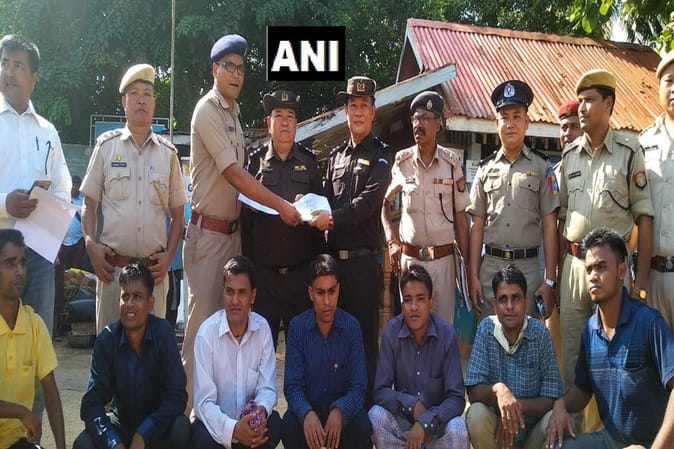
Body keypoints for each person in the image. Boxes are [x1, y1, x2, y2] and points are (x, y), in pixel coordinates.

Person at [182, 34, 301, 410]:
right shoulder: (207, 110)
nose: (236, 74)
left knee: (230, 335)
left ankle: (223, 419)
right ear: (214, 70)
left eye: (241, 68)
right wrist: (282, 206)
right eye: (228, 67)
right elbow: (234, 174)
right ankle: (187, 421)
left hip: (231, 237)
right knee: (202, 333)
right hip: (208, 235)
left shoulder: (232, 113)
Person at [556, 69, 654, 405]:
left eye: (589, 100)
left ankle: (613, 429)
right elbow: (561, 219)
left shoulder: (629, 152)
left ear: (608, 104)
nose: (581, 108)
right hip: (574, 268)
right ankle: (573, 429)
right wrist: (555, 278)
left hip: (613, 269)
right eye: (580, 101)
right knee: (572, 358)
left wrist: (641, 283)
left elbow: (644, 217)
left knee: (615, 356)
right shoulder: (569, 156)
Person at [80, 63, 186, 334]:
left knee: (152, 353)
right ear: (123, 102)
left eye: (147, 94)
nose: (141, 100)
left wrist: (169, 256)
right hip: (113, 274)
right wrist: (91, 245)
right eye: (134, 93)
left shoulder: (168, 155)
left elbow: (178, 216)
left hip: (153, 276)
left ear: (154, 103)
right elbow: (89, 205)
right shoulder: (106, 147)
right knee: (109, 350)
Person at [545, 227, 674, 449]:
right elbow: (582, 390)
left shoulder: (648, 323)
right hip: (611, 441)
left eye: (601, 267)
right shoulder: (590, 331)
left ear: (621, 271)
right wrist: (561, 404)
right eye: (588, 269)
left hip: (655, 442)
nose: (593, 276)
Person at [310, 75, 391, 400]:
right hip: (333, 267)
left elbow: (367, 204)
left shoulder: (381, 155)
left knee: (363, 341)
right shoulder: (336, 156)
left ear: (373, 111)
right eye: (352, 106)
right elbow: (324, 201)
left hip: (361, 266)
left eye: (364, 106)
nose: (358, 112)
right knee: (331, 338)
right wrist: (308, 208)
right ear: (345, 112)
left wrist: (331, 218)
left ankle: (366, 412)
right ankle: (333, 406)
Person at [467, 80, 559, 321]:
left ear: (527, 122)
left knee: (528, 338)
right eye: (504, 117)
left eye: (516, 117)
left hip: (528, 271)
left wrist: (550, 281)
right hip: (490, 269)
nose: (510, 124)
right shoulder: (485, 169)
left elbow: (550, 225)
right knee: (489, 336)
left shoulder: (542, 167)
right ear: (496, 124)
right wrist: (473, 275)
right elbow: (477, 225)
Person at [73, 262, 189, 449]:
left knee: (181, 428)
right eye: (125, 296)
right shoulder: (106, 340)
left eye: (137, 297)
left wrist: (144, 433)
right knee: (83, 444)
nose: (129, 304)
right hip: (121, 425)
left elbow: (177, 396)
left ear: (150, 303)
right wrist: (113, 442)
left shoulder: (163, 333)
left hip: (156, 427)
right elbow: (91, 405)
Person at [0, 34, 72, 337]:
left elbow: (62, 187)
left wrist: (52, 238)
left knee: (37, 338)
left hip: (39, 255)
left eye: (18, 65)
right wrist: (5, 203)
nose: (9, 72)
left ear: (34, 78)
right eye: (4, 63)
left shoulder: (47, 131)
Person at [242, 90, 323, 346]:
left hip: (300, 276)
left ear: (297, 123)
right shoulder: (254, 163)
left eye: (290, 116)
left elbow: (320, 221)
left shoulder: (310, 163)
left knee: (302, 350)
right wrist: (250, 274)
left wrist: (315, 272)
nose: (285, 122)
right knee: (260, 351)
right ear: (269, 123)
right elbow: (246, 223)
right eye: (279, 116)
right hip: (264, 278)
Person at [382, 91, 470, 325]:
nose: (417, 125)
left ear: (438, 124)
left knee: (442, 329)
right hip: (411, 262)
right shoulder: (402, 162)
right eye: (415, 119)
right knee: (412, 329)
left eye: (425, 119)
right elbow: (385, 203)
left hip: (444, 263)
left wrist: (468, 269)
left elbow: (461, 218)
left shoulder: (451, 163)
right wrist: (391, 241)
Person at [369, 264, 469, 449]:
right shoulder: (392, 331)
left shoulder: (446, 333)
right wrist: (412, 405)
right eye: (408, 300)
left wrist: (426, 421)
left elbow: (456, 398)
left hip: (436, 429)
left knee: (458, 429)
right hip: (403, 429)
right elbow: (380, 391)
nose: (413, 307)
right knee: (375, 416)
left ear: (430, 303)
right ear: (402, 305)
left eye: (420, 299)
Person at [465, 264, 563, 449]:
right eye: (503, 299)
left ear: (526, 303)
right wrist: (498, 390)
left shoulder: (540, 334)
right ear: (494, 305)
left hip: (532, 434)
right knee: (476, 414)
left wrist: (513, 408)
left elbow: (552, 398)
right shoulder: (486, 329)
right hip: (498, 435)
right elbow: (473, 391)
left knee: (555, 418)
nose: (509, 306)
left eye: (515, 298)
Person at [281, 254, 371, 449]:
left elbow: (358, 386)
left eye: (332, 291)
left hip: (341, 417)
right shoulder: (297, 328)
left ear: (338, 289)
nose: (327, 301)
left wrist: (340, 410)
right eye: (320, 293)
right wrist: (306, 413)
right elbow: (292, 386)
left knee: (363, 427)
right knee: (288, 426)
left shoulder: (352, 327)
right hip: (310, 414)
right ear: (310, 293)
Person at [190, 256, 281, 449]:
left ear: (253, 296)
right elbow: (204, 403)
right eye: (229, 292)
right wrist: (233, 430)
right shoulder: (206, 334)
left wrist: (260, 413)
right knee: (199, 437)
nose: (235, 301)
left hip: (250, 424)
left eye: (242, 293)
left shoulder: (263, 329)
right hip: (218, 428)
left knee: (275, 424)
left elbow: (267, 388)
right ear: (222, 293)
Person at [0, 229, 65, 449]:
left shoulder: (34, 324)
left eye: (22, 263)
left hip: (16, 443)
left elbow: (51, 391)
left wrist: (61, 446)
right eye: (10, 264)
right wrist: (21, 412)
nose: (19, 271)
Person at [640, 51, 674, 330]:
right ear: (659, 87)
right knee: (654, 353)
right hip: (651, 277)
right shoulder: (644, 142)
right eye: (669, 81)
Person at [59, 175, 85, 270]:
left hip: (78, 240)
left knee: (76, 269)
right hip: (64, 241)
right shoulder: (64, 198)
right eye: (73, 185)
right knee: (61, 268)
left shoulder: (83, 201)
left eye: (76, 185)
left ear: (80, 187)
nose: (74, 187)